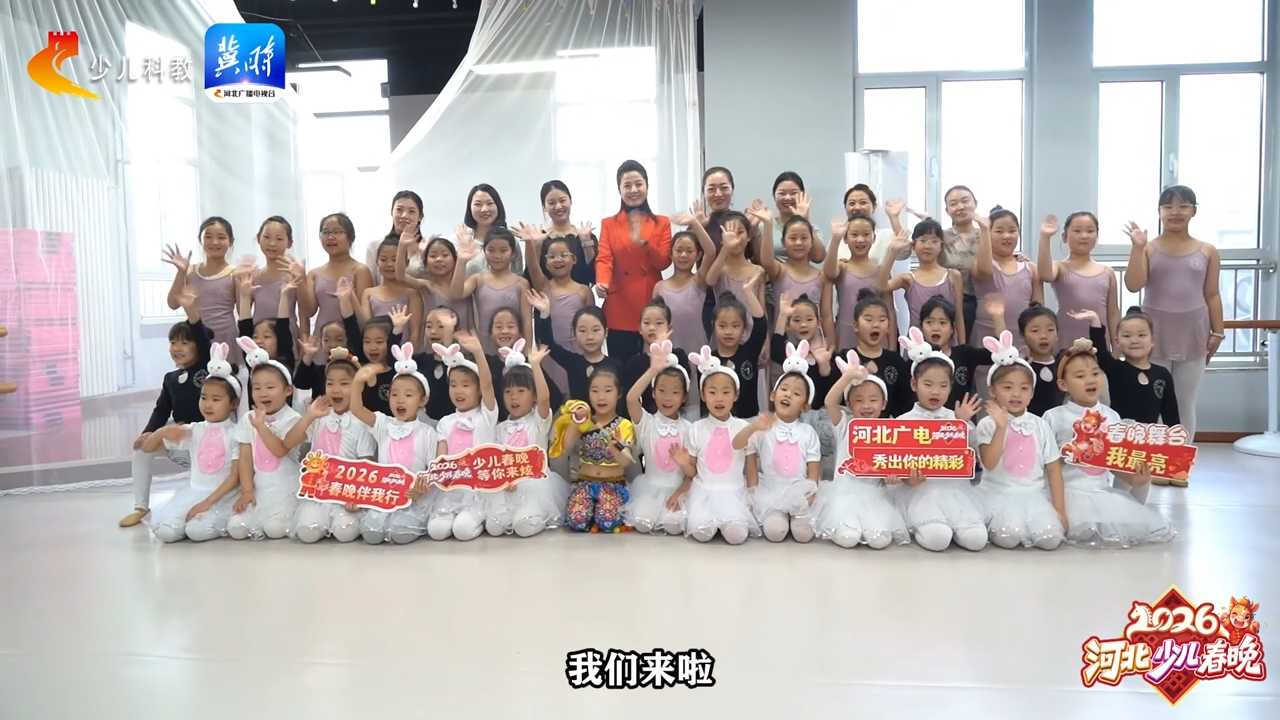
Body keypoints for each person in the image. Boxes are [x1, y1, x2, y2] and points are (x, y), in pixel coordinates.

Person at [1043, 341, 1174, 546]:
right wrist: (1072, 452)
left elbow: (1114, 464)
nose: (1090, 380)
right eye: (1080, 376)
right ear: (1063, 384)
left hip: (1101, 493)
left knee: (1151, 528)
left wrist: (1135, 478)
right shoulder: (1054, 417)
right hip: (1067, 493)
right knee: (1079, 529)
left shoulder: (1111, 416)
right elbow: (1046, 465)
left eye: (1095, 373)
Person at [1123, 184, 1224, 444]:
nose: (1175, 212)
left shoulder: (1208, 250)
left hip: (1194, 332)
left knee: (1184, 400)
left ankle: (1180, 457)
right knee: (1151, 397)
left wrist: (1218, 331)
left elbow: (1212, 294)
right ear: (1159, 212)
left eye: (1183, 206)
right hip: (1153, 333)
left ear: (1194, 211)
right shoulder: (1148, 248)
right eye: (1168, 207)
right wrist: (1137, 248)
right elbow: (1133, 284)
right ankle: (1153, 456)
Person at [119, 289, 211, 528]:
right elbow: (161, 410)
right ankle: (141, 507)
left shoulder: (207, 369)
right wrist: (147, 433)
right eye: (173, 342)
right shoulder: (170, 378)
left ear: (198, 346)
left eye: (185, 342)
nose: (177, 347)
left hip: (205, 444)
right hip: (180, 440)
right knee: (141, 450)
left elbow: (203, 338)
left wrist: (191, 311)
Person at [974, 331, 1067, 550]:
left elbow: (1053, 469)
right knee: (1009, 537)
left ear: (1032, 393)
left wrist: (1059, 510)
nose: (1016, 394)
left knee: (1050, 540)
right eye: (1007, 388)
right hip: (998, 495)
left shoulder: (1040, 425)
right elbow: (989, 463)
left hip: (1033, 497)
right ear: (992, 390)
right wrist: (1001, 427)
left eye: (1024, 388)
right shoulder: (987, 424)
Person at [1069, 308, 1183, 486]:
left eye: (1141, 335)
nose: (1134, 340)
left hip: (1148, 439)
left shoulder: (1162, 374)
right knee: (1123, 487)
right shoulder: (1116, 369)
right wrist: (1095, 321)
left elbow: (1171, 413)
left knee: (1142, 486)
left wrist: (1176, 453)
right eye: (1127, 336)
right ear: (1117, 341)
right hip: (1121, 438)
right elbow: (1101, 353)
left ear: (1152, 340)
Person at [145, 344, 243, 543]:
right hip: (194, 492)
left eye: (216, 399)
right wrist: (162, 431)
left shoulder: (237, 433)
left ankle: (207, 520)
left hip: (222, 497)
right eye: (204, 397)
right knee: (166, 532)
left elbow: (234, 478)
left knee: (197, 531)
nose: (208, 404)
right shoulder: (194, 429)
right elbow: (148, 447)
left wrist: (206, 504)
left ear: (233, 403)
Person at [894, 344, 987, 552]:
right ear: (914, 384)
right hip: (920, 493)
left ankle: (956, 525)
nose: (935, 391)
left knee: (977, 540)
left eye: (943, 385)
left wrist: (961, 425)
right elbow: (897, 465)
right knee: (938, 539)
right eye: (928, 384)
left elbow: (974, 456)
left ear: (950, 387)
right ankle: (925, 525)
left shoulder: (956, 418)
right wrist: (907, 479)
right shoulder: (903, 422)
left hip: (957, 493)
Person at [814, 353, 910, 549]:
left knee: (880, 540)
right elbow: (830, 402)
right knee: (848, 538)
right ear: (849, 405)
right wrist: (848, 377)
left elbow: (891, 465)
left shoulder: (889, 431)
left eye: (873, 400)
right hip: (843, 494)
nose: (866, 406)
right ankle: (846, 528)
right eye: (858, 400)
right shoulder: (844, 424)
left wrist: (893, 476)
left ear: (883, 404)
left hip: (876, 496)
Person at [348, 343, 439, 544]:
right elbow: (356, 409)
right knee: (371, 533)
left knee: (400, 533)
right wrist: (358, 381)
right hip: (385, 496)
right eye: (395, 394)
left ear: (422, 400)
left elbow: (433, 471)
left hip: (414, 498)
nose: (400, 400)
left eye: (408, 395)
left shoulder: (427, 433)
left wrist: (421, 488)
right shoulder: (383, 424)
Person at [282, 349, 376, 543]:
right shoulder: (319, 416)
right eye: (330, 383)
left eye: (344, 384)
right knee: (307, 532)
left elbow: (366, 463)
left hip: (347, 493)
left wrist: (357, 496)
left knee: (345, 532)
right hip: (318, 492)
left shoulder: (362, 421)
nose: (335, 389)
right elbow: (288, 442)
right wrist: (309, 416)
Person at [668, 347, 758, 544]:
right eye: (712, 392)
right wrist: (683, 463)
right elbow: (692, 473)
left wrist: (753, 498)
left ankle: (726, 522)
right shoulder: (696, 429)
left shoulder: (744, 428)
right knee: (702, 533)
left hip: (734, 492)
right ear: (703, 395)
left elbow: (752, 470)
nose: (719, 398)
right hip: (704, 492)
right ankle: (713, 522)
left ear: (735, 395)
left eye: (726, 392)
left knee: (736, 536)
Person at [737, 341, 821, 543]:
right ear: (773, 395)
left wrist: (809, 496)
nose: (788, 394)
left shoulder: (808, 432)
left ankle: (797, 516)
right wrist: (753, 492)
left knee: (804, 535)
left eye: (797, 393)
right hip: (770, 492)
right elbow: (748, 456)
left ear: (805, 406)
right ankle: (778, 517)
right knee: (775, 532)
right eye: (784, 389)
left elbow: (813, 471)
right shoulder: (763, 426)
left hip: (800, 492)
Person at [486, 340, 569, 537]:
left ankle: (532, 515)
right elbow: (497, 462)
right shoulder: (500, 428)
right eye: (508, 392)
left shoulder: (538, 422)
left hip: (535, 487)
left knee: (523, 526)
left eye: (521, 391)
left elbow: (545, 399)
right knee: (494, 527)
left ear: (533, 396)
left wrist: (535, 366)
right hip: (507, 489)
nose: (513, 397)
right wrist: (503, 481)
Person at [596, 159, 674, 360]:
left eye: (638, 184)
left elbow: (664, 262)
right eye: (627, 185)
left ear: (647, 186)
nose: (633, 190)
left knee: (655, 367)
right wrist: (602, 282)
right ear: (619, 190)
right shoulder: (609, 224)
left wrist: (646, 243)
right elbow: (604, 258)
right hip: (619, 306)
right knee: (621, 370)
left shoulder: (662, 222)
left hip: (651, 305)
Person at [226, 339, 302, 540]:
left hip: (285, 487)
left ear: (288, 390)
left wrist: (261, 426)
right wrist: (247, 491)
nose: (262, 393)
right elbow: (245, 458)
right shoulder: (247, 418)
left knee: (275, 529)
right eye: (257, 388)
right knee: (237, 528)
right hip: (259, 487)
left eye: (270, 387)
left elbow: (280, 450)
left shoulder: (293, 419)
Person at [427, 333, 499, 540]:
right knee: (436, 531)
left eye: (466, 385)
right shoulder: (445, 422)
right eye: (453, 384)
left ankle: (479, 519)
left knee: (463, 530)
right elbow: (441, 460)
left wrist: (478, 352)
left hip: (478, 489)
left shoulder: (486, 416)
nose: (458, 390)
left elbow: (488, 384)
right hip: (451, 490)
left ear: (478, 390)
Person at [623, 340, 692, 534]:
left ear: (684, 397)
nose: (667, 397)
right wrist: (653, 370)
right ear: (653, 393)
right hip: (649, 489)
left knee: (674, 526)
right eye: (661, 391)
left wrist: (684, 464)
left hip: (678, 490)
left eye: (675, 392)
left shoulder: (689, 429)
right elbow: (631, 399)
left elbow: (692, 473)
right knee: (642, 524)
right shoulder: (647, 422)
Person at [556, 369, 634, 533]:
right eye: (595, 391)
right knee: (577, 521)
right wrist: (575, 422)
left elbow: (626, 462)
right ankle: (590, 513)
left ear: (619, 394)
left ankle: (599, 515)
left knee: (607, 521)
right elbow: (566, 448)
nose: (601, 397)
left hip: (613, 485)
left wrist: (614, 447)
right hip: (585, 483)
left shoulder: (624, 425)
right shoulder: (584, 423)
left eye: (608, 390)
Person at [520, 232, 593, 398]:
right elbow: (532, 267)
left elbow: (592, 323)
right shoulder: (543, 286)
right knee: (554, 395)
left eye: (563, 255)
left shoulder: (584, 291)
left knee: (578, 393)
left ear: (574, 259)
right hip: (550, 352)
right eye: (552, 256)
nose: (558, 259)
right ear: (545, 263)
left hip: (577, 351)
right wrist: (530, 244)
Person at [162, 217, 240, 364]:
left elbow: (242, 312)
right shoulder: (190, 271)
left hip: (225, 338)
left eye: (221, 237)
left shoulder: (235, 273)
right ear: (200, 240)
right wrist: (181, 272)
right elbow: (172, 304)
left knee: (224, 376)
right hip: (194, 337)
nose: (214, 242)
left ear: (231, 241)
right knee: (197, 376)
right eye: (208, 237)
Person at [1037, 212, 1119, 350]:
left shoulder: (1107, 272)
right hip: (1066, 341)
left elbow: (1113, 313)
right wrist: (1045, 237)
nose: (1084, 235)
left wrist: (1117, 347)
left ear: (1097, 236)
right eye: (1077, 231)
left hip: (1099, 343)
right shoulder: (1060, 267)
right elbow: (1045, 274)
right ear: (1064, 236)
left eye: (1090, 231)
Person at [881, 219, 967, 346]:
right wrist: (891, 253)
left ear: (941, 246)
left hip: (947, 348)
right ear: (913, 246)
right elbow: (881, 286)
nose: (928, 246)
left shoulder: (953, 276)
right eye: (923, 240)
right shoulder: (908, 279)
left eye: (934, 241)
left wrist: (962, 347)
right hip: (916, 348)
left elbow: (959, 316)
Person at [451, 226, 532, 355]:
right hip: (484, 351)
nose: (497, 255)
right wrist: (461, 261)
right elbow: (456, 293)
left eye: (503, 250)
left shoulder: (521, 284)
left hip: (515, 351)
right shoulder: (478, 279)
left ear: (513, 253)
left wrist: (528, 352)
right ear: (484, 251)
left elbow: (527, 321)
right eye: (491, 250)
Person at [972, 206, 1041, 350]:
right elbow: (984, 271)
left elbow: (1038, 309)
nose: (1006, 236)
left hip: (1022, 343)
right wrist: (984, 230)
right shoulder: (982, 264)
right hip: (987, 343)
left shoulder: (1031, 269)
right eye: (999, 231)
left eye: (1012, 231)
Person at [825, 212, 894, 351]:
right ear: (846, 238)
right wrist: (835, 239)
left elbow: (890, 310)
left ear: (874, 238)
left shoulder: (881, 271)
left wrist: (892, 348)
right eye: (854, 235)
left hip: (877, 335)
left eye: (866, 234)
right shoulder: (842, 266)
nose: (860, 239)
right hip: (846, 333)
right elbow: (829, 272)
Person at [299, 213, 373, 338]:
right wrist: (300, 278)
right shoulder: (314, 274)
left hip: (351, 339)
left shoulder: (360, 270)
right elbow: (308, 311)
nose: (330, 237)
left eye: (337, 232)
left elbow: (365, 316)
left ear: (350, 237)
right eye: (325, 232)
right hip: (322, 340)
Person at [396, 234, 476, 341]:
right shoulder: (427, 286)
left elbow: (458, 293)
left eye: (445, 255)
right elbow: (400, 276)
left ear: (455, 259)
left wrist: (463, 260)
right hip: (434, 345)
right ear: (425, 262)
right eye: (433, 256)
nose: (439, 259)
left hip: (465, 345)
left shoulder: (466, 284)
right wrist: (402, 246)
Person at [362, 233, 423, 344]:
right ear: (377, 262)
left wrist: (409, 353)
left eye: (395, 260)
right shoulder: (368, 293)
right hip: (376, 352)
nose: (389, 264)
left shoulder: (412, 294)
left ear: (406, 263)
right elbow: (367, 329)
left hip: (404, 352)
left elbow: (415, 333)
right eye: (383, 259)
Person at [939, 185, 983, 333]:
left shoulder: (986, 234)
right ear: (947, 210)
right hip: (946, 301)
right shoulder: (941, 236)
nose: (960, 207)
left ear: (975, 203)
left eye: (965, 201)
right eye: (953, 204)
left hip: (981, 301)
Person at [367, 190, 423, 285]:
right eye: (399, 210)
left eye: (411, 211)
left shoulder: (427, 247)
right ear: (391, 212)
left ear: (420, 217)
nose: (404, 215)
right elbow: (371, 283)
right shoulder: (375, 246)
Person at [461, 183, 519, 275]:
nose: (484, 209)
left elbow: (518, 274)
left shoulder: (510, 240)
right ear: (469, 208)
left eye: (490, 203)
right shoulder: (460, 240)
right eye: (478, 204)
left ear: (498, 206)